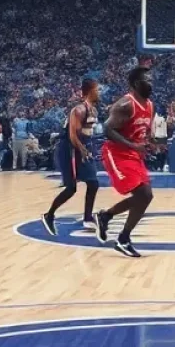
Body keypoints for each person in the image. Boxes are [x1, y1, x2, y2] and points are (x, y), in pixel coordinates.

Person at [98, 66, 156, 258]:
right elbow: (107, 129)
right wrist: (132, 145)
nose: (151, 82)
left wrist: (149, 143)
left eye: (151, 79)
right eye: (146, 79)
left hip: (133, 153)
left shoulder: (150, 105)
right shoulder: (124, 105)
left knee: (146, 196)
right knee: (142, 193)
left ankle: (108, 218)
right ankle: (122, 237)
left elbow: (143, 131)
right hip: (116, 153)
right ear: (135, 84)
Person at [42, 78, 100, 236]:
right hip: (69, 150)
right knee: (71, 188)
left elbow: (87, 134)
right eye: (97, 89)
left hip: (83, 148)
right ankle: (49, 215)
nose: (99, 92)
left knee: (93, 183)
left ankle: (88, 218)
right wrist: (83, 149)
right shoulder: (79, 110)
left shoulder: (93, 110)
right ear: (90, 91)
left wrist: (88, 148)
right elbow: (72, 136)